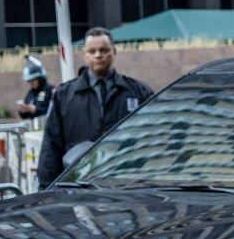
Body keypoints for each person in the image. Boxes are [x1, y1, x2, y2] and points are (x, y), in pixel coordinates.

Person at [36, 27, 154, 185]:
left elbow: (152, 141)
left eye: (104, 50)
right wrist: (46, 191)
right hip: (79, 186)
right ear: (84, 54)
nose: (98, 55)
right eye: (92, 51)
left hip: (126, 186)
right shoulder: (64, 96)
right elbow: (51, 148)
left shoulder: (139, 93)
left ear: (114, 51)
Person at [16, 54, 54, 119]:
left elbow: (53, 111)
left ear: (39, 79)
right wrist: (22, 111)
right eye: (29, 81)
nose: (31, 83)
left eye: (33, 80)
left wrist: (35, 110)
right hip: (33, 126)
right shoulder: (31, 93)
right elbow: (24, 115)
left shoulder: (50, 90)